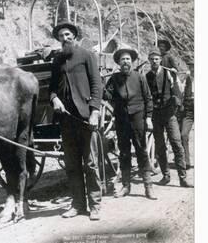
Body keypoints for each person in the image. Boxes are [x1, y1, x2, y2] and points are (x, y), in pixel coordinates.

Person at [49, 22, 103, 220]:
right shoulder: (57, 60)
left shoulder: (87, 55)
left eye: (68, 34)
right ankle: (78, 204)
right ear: (59, 39)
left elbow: (97, 85)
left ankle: (95, 205)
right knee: (72, 164)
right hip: (66, 119)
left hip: (85, 117)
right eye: (62, 35)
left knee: (90, 163)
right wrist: (55, 99)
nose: (65, 38)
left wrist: (95, 111)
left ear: (74, 36)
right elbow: (52, 87)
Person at [104, 48, 156, 200]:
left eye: (127, 59)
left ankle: (148, 186)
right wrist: (99, 88)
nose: (125, 62)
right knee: (124, 152)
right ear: (119, 63)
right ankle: (126, 186)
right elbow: (108, 95)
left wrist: (148, 118)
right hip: (121, 120)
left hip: (138, 118)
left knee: (141, 150)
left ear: (131, 61)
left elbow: (148, 98)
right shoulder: (114, 78)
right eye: (122, 60)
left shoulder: (139, 77)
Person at [145, 49, 192, 188]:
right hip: (156, 115)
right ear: (149, 60)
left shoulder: (169, 73)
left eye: (156, 59)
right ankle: (166, 176)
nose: (154, 61)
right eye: (152, 59)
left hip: (170, 114)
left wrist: (176, 105)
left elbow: (178, 92)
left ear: (160, 60)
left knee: (177, 144)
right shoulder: (147, 77)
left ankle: (183, 178)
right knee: (160, 146)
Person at [179, 60, 194, 169]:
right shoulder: (186, 79)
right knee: (183, 135)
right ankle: (186, 162)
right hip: (189, 109)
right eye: (191, 67)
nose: (193, 69)